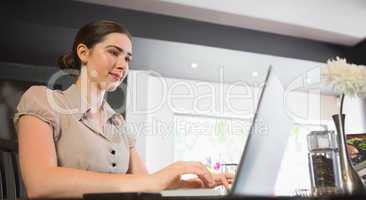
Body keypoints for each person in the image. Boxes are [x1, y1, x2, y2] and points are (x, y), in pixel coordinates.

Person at [13, 20, 232, 198]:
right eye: (113, 52)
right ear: (83, 52)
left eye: (127, 58)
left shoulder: (118, 122)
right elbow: (40, 184)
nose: (122, 64)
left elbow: (147, 183)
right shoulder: (43, 99)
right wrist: (151, 180)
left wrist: (200, 183)